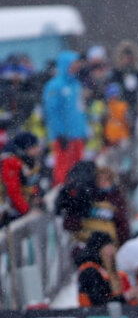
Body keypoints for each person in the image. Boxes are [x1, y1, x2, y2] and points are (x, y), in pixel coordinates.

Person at [42, 51, 90, 185]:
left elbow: (80, 109)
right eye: (73, 63)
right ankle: (62, 193)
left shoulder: (76, 84)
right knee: (63, 168)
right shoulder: (55, 85)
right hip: (63, 137)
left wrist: (84, 131)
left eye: (76, 63)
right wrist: (60, 133)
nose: (76, 66)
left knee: (78, 168)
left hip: (77, 135)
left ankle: (76, 195)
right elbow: (52, 112)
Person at [76, 231, 132, 307]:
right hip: (94, 317)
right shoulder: (90, 271)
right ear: (99, 249)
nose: (112, 250)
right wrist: (124, 297)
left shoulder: (100, 269)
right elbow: (98, 304)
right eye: (108, 246)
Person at [0, 131, 42, 227]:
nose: (38, 150)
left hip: (15, 209)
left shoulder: (27, 160)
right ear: (25, 148)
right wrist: (27, 210)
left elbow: (31, 183)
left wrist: (36, 196)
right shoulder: (10, 161)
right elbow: (12, 191)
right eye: (34, 147)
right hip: (7, 212)